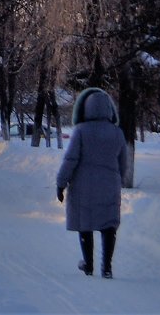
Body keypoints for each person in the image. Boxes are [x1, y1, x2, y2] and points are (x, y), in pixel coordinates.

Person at [56, 87, 128, 279]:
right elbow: (124, 164)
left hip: (83, 187)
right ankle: (107, 267)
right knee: (108, 226)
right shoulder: (117, 133)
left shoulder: (81, 131)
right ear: (109, 109)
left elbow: (70, 160)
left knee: (85, 224)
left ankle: (88, 264)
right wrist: (117, 180)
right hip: (109, 186)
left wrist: (61, 183)